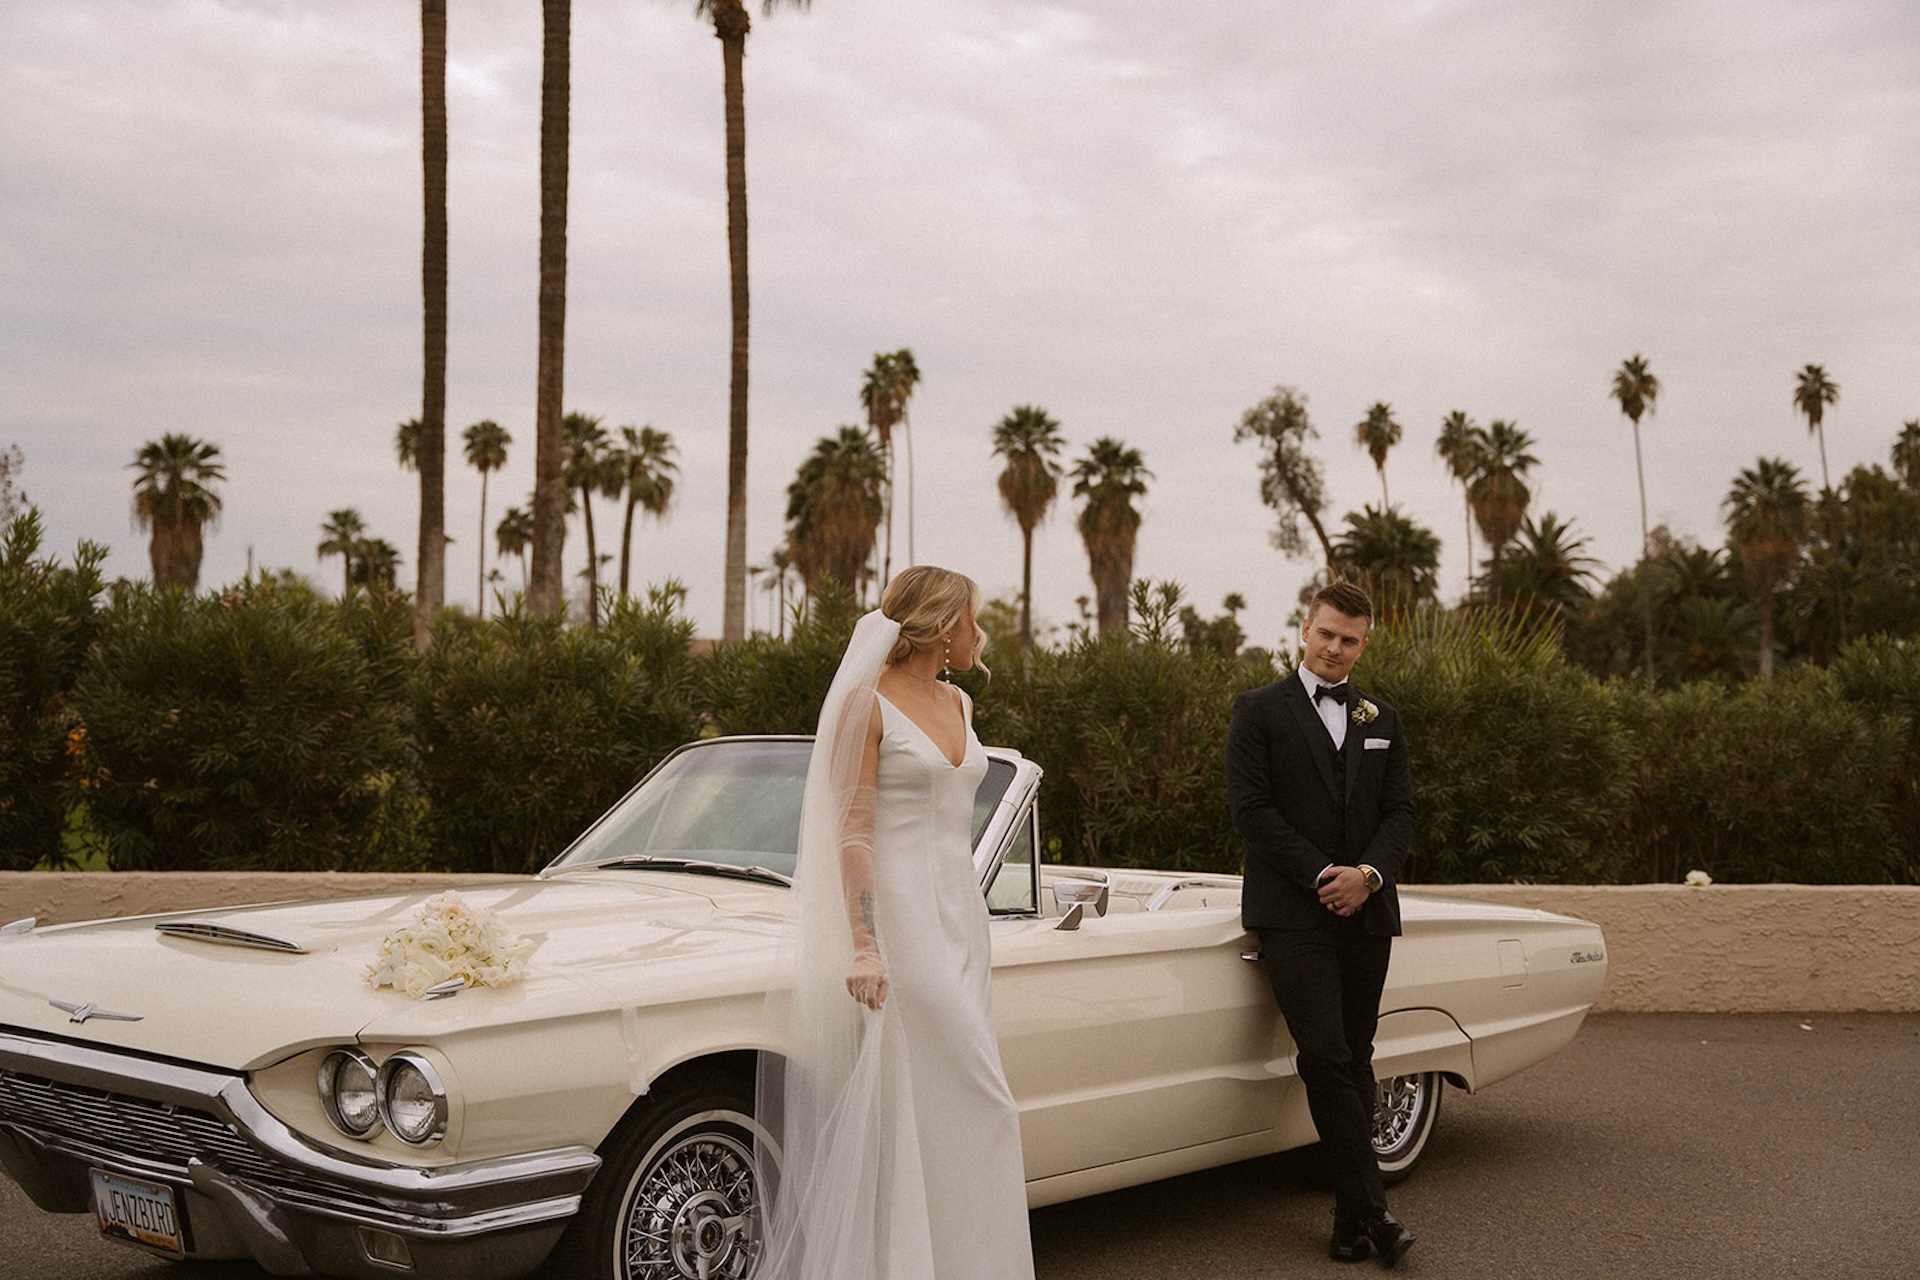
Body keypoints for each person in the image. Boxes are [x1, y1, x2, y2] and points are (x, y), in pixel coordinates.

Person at [757, 566, 1035, 1280]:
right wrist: (864, 945)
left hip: (960, 921)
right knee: (981, 1102)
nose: (980, 633)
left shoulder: (961, 704)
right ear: (943, 627)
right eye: (974, 619)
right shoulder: (864, 706)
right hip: (899, 926)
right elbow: (851, 833)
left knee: (943, 1108)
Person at [1224, 580, 1417, 1267]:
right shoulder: (1258, 711)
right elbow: (1251, 810)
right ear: (1305, 630)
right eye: (1327, 634)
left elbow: (1400, 814)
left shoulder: (1382, 719)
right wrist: (1321, 876)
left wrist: (1365, 877)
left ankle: (1349, 1221)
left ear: (1365, 644)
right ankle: (1376, 1213)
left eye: (1351, 640)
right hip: (1292, 914)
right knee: (1328, 1056)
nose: (1336, 648)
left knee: (1357, 1057)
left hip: (1367, 910)